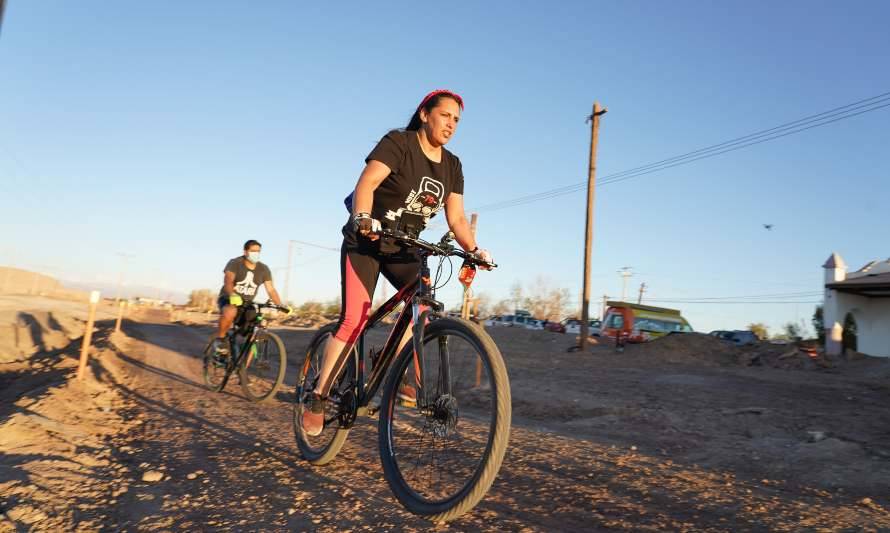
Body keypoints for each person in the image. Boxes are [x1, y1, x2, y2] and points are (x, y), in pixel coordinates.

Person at [302, 89, 493, 436]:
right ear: (425, 114)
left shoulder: (453, 166)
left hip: (404, 246)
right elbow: (368, 183)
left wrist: (475, 249)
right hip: (367, 241)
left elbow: (458, 219)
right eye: (445, 115)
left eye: (457, 120)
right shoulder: (399, 143)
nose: (451, 124)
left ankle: (395, 364)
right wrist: (362, 216)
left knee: (422, 300)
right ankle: (319, 394)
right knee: (355, 318)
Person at [212, 240, 289, 359]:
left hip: (247, 304)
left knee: (258, 327)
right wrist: (233, 295)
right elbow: (228, 281)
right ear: (245, 251)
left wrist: (280, 304)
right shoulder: (235, 263)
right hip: (228, 299)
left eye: (258, 251)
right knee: (230, 311)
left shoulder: (263, 269)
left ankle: (243, 368)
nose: (256, 254)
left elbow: (271, 290)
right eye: (253, 251)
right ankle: (220, 341)